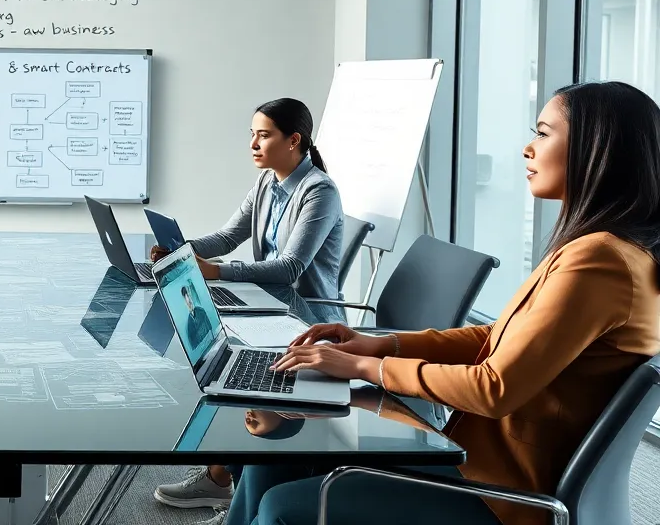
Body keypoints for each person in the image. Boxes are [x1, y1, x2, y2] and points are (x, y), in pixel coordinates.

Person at [205, 81, 660, 525]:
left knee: (283, 508)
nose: (527, 148)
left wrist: (367, 369)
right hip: (476, 455)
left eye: (542, 133)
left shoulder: (600, 261)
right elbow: (494, 336)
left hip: (501, 489)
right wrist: (373, 345)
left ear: (597, 150)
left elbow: (492, 388)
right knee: (272, 456)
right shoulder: (603, 249)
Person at [153, 97, 345, 510]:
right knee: (216, 359)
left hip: (308, 320)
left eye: (264, 135)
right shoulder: (266, 183)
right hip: (268, 305)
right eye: (252, 135)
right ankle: (222, 478)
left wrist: (217, 273)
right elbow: (226, 238)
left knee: (231, 370)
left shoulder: (319, 192)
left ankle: (221, 479)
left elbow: (291, 267)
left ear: (294, 140)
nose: (253, 144)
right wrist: (180, 252)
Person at [183, 283, 214, 351]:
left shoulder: (201, 311)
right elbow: (195, 347)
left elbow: (211, 330)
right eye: (187, 295)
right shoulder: (189, 324)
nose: (190, 298)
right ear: (184, 300)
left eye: (190, 294)